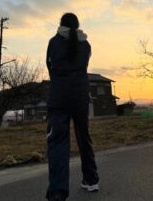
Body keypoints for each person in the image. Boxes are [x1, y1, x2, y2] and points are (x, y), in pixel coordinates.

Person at [46, 13, 99, 201]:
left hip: (59, 96)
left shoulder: (54, 42)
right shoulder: (86, 45)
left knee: (58, 141)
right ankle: (91, 179)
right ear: (77, 25)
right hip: (80, 96)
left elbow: (50, 67)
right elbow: (83, 67)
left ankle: (58, 192)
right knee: (83, 136)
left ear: (61, 25)